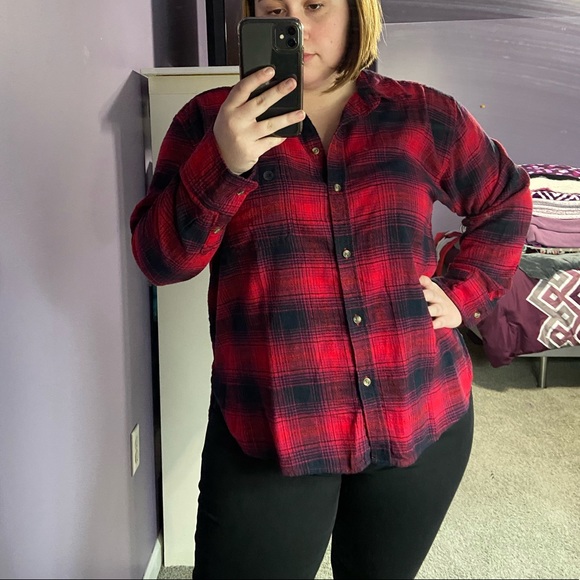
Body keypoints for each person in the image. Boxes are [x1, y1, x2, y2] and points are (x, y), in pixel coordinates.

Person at [130, 0, 532, 577]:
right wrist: (225, 162)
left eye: (315, 4)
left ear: (357, 12)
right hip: (273, 427)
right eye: (276, 8)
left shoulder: (423, 116)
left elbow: (505, 197)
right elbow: (160, 259)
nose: (298, 24)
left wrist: (463, 292)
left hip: (417, 410)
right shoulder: (208, 121)